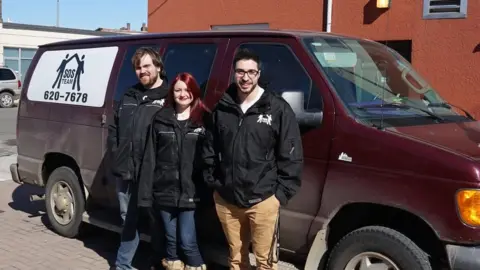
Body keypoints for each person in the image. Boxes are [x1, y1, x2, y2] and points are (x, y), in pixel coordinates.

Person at [202, 48, 304, 270]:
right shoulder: (223, 108)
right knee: (236, 260)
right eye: (240, 72)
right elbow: (209, 148)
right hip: (228, 199)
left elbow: (291, 155)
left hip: (263, 200)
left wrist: (280, 195)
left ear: (258, 74)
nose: (245, 77)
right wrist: (215, 184)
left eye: (251, 72)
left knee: (265, 263)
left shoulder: (276, 109)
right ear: (233, 73)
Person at [137, 72, 210, 270]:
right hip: (164, 192)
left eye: (187, 89)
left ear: (194, 91)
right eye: (178, 90)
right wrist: (145, 195)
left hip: (191, 193)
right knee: (170, 244)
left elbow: (212, 157)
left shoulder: (205, 120)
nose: (183, 94)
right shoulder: (160, 119)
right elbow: (150, 157)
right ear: (172, 93)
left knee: (187, 242)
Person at [107, 47, 169, 270]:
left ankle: (158, 262)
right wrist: (116, 154)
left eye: (147, 66)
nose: (142, 71)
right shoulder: (129, 95)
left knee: (157, 222)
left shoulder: (169, 98)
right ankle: (123, 265)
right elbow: (114, 129)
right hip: (126, 170)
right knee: (128, 220)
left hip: (153, 174)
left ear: (158, 67)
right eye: (138, 67)